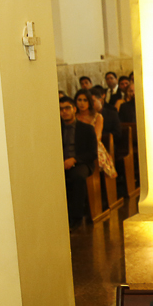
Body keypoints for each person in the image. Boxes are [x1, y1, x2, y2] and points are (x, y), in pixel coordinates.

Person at [59, 96, 97, 226]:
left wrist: (74, 159)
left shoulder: (86, 129)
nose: (64, 112)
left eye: (67, 108)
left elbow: (92, 153)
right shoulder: (56, 129)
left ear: (74, 109)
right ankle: (58, 214)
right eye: (61, 109)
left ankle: (76, 218)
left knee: (78, 176)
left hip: (81, 162)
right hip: (61, 162)